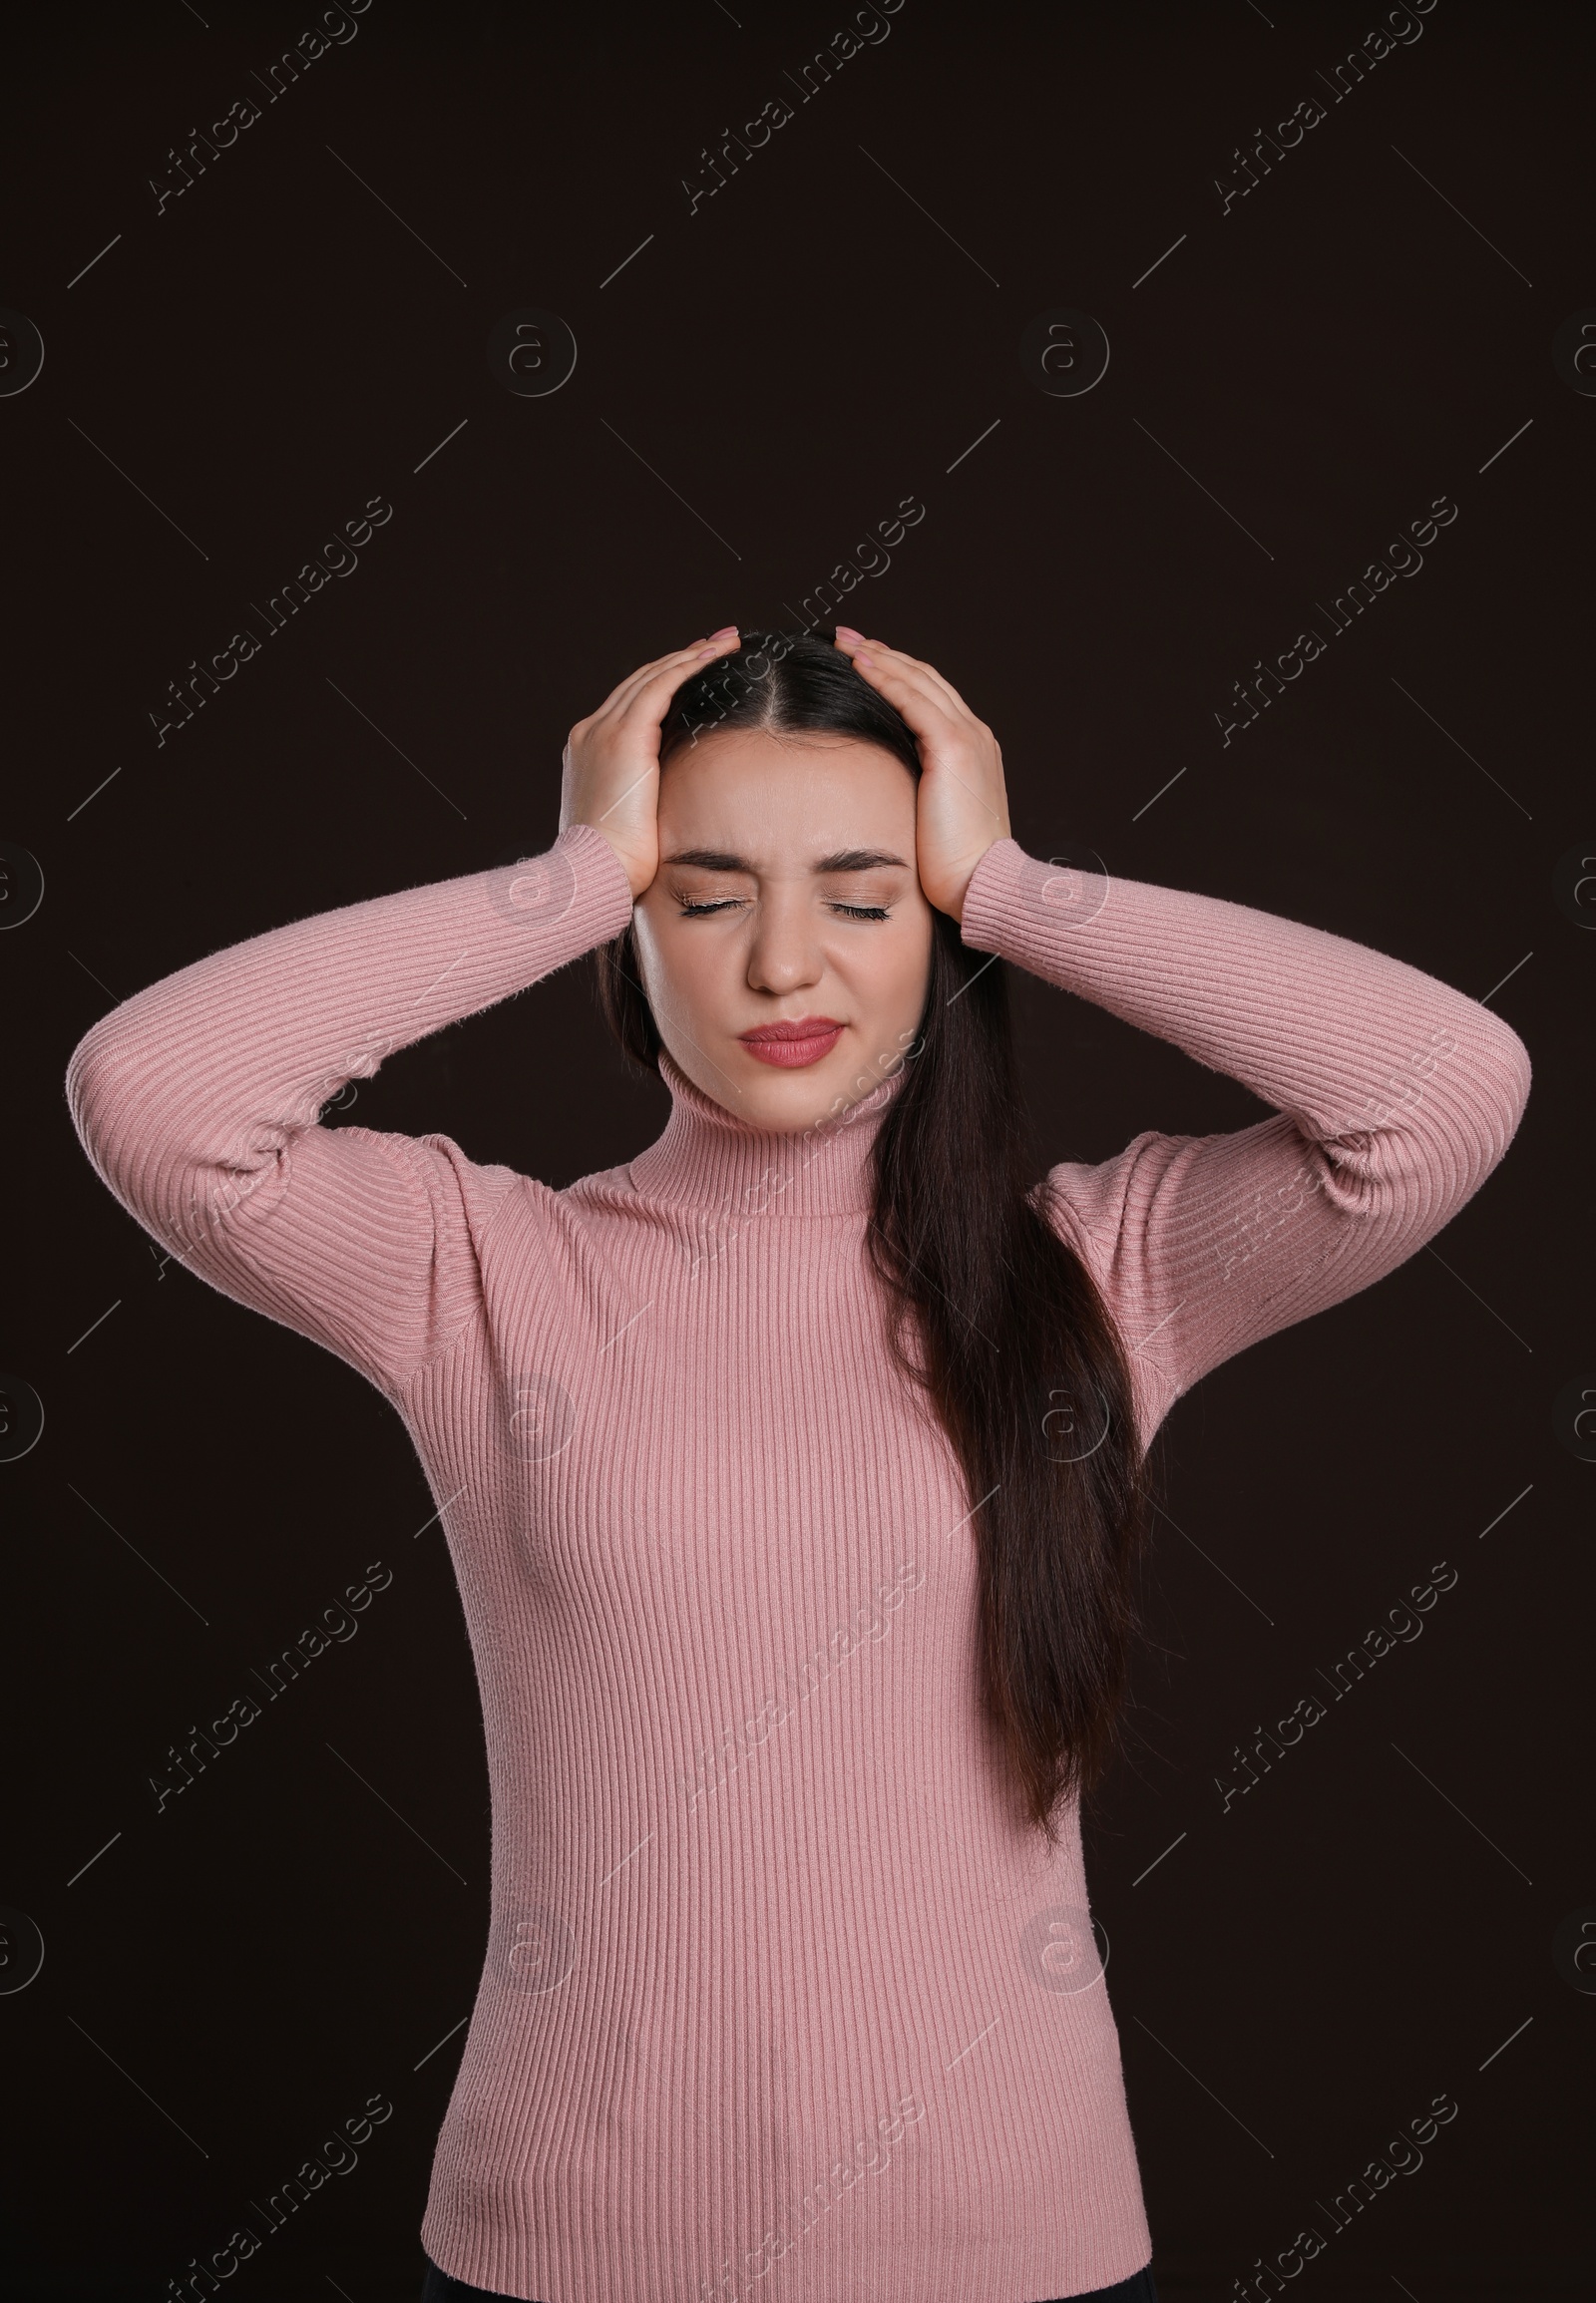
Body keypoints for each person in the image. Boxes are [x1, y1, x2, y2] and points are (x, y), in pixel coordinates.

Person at [66, 626, 1530, 2303]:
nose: (783, 965)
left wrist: (1012, 881)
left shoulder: (1098, 1271)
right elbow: (151, 1093)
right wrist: (569, 873)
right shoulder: (476, 1266)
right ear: (633, 938)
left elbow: (1440, 1092)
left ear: (939, 935)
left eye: (862, 894)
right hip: (574, 2241)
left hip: (1010, 2242)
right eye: (704, 893)